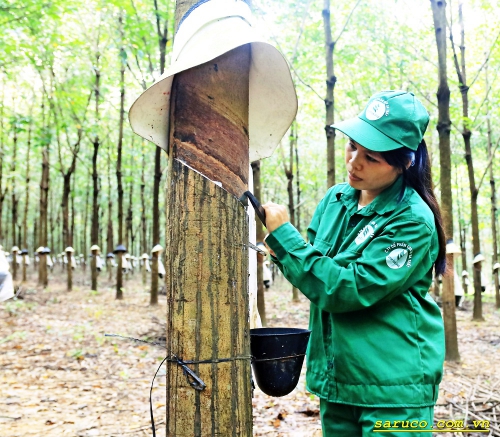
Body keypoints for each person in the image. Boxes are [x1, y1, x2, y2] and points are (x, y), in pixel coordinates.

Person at [262, 91, 446, 436]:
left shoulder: (411, 221)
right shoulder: (335, 200)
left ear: (405, 163)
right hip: (339, 379)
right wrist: (282, 250)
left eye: (371, 157)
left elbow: (346, 288)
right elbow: (315, 270)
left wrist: (286, 239)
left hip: (393, 388)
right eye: (352, 147)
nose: (354, 162)